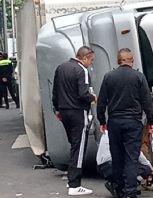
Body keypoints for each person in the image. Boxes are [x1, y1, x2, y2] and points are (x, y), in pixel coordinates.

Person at [97, 48, 153, 198]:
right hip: (133, 123)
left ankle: (119, 189)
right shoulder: (139, 77)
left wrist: (102, 121)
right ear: (132, 60)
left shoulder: (108, 77)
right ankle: (130, 192)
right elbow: (147, 102)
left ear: (118, 61)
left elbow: (101, 101)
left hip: (114, 122)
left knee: (117, 158)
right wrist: (151, 121)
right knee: (131, 158)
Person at [52, 46, 96, 196]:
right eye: (91, 60)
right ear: (85, 58)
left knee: (74, 144)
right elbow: (84, 93)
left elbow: (55, 90)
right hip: (78, 111)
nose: (91, 63)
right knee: (79, 147)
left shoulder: (61, 68)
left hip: (64, 111)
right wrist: (93, 98)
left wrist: (57, 109)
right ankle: (74, 185)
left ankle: (72, 177)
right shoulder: (81, 70)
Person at [96, 131, 153, 197]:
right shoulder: (125, 133)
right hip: (112, 166)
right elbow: (137, 152)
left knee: (128, 166)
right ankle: (125, 187)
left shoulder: (108, 132)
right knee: (145, 169)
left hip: (101, 166)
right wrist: (150, 167)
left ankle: (117, 186)